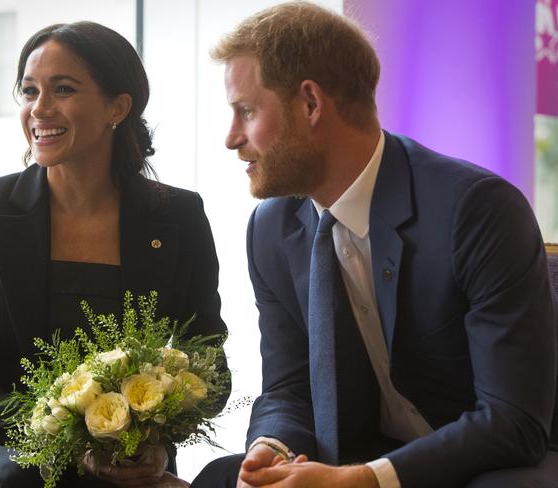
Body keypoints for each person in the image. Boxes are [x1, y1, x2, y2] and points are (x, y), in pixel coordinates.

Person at [193, 2, 558, 487]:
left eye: (246, 110)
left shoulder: (477, 210)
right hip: (360, 451)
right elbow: (288, 385)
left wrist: (363, 481)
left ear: (310, 104)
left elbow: (514, 421)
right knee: (221, 476)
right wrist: (271, 448)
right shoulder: (270, 228)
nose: (231, 138)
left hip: (485, 459)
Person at [0, 21, 229, 488]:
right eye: (28, 91)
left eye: (62, 89)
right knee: (24, 479)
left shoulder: (179, 215)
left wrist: (157, 442)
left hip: (129, 457)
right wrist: (77, 450)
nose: (38, 108)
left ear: (117, 107)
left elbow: (210, 365)